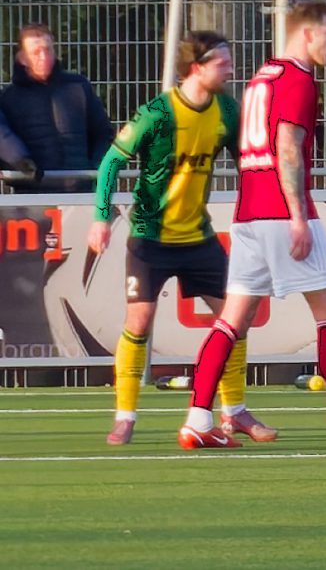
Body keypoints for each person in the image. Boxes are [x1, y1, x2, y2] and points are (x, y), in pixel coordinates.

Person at [177, 1, 326, 451]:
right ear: (308, 33)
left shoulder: (263, 77)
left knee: (233, 318)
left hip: (249, 214)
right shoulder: (298, 79)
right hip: (281, 211)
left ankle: (198, 418)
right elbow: (287, 146)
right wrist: (297, 216)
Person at [87, 31, 252, 446]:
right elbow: (110, 163)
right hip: (150, 239)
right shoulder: (157, 114)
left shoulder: (227, 112)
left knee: (236, 318)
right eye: (222, 63)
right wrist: (101, 218)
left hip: (199, 238)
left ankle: (234, 411)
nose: (231, 69)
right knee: (139, 322)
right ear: (196, 68)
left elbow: (248, 166)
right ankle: (125, 416)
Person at [1, 22, 114, 192]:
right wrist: (21, 164)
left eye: (48, 50)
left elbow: (103, 133)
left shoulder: (79, 87)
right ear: (22, 58)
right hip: (33, 197)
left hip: (81, 192)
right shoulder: (8, 98)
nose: (44, 57)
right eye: (36, 52)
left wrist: (98, 167)